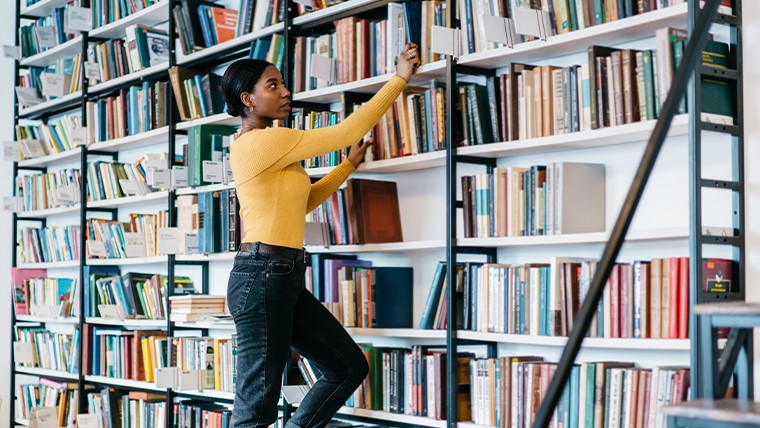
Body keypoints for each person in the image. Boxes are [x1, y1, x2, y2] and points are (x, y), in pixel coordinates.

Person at [221, 42, 421, 428]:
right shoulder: (264, 141)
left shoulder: (270, 146)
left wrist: (345, 167)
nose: (285, 92)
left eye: (283, 84)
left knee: (346, 366)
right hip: (262, 275)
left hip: (283, 276)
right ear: (247, 99)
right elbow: (349, 129)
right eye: (273, 86)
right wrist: (399, 78)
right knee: (255, 407)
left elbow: (303, 201)